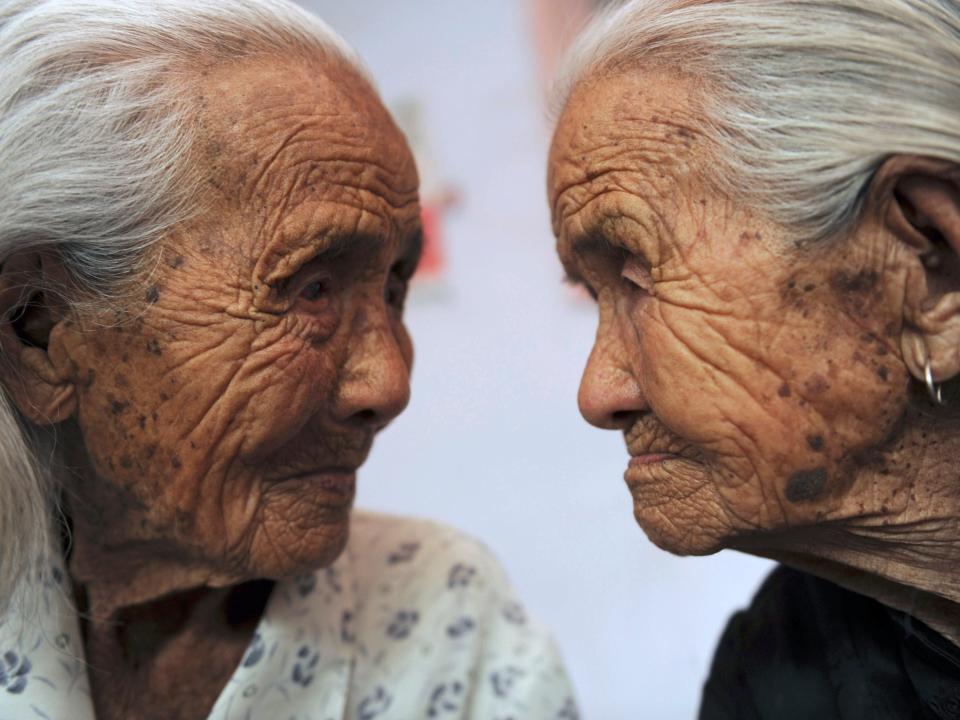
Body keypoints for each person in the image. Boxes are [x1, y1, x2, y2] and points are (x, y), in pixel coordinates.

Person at [0, 1, 578, 718]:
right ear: (41, 329)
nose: (390, 383)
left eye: (395, 288)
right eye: (311, 290)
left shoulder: (443, 614)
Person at [547, 0, 960, 717]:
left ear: (929, 269)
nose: (598, 392)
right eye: (594, 295)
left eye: (638, 279)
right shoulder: (774, 676)